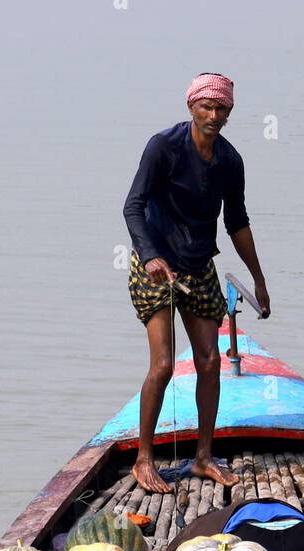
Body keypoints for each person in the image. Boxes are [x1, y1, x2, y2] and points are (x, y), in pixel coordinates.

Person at [123, 72, 270, 495]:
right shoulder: (163, 147)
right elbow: (133, 205)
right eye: (206, 106)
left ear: (229, 114)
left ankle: (204, 457)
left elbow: (237, 222)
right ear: (191, 107)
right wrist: (150, 255)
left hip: (200, 265)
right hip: (156, 265)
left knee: (209, 361)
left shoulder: (229, 160)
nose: (213, 114)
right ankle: (144, 459)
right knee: (164, 364)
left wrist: (259, 279)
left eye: (221, 108)